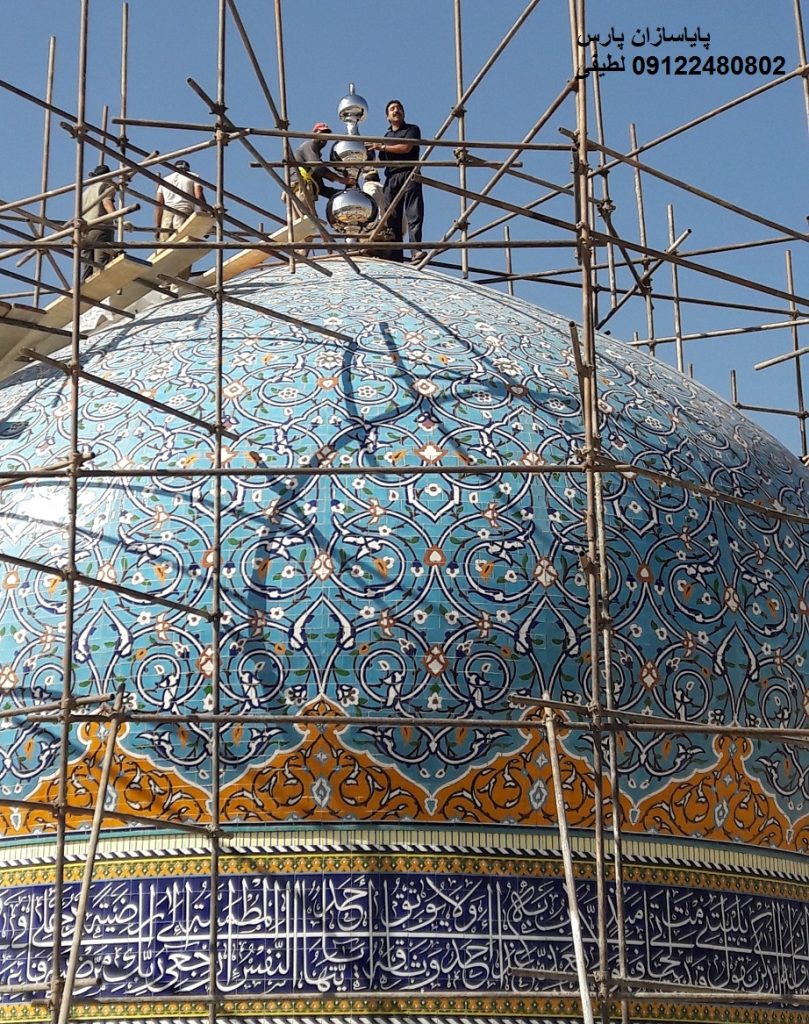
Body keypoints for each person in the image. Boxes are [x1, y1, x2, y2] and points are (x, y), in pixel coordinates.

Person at [368, 100, 424, 262]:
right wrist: (369, 155)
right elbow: (382, 162)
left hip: (409, 173)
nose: (396, 111)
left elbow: (406, 148)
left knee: (413, 213)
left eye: (399, 108)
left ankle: (415, 250)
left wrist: (382, 147)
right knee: (391, 216)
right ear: (388, 116)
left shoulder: (412, 130)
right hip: (392, 177)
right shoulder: (387, 136)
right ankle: (395, 256)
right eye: (392, 109)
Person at [291, 123, 348, 209]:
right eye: (322, 133)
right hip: (300, 188)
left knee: (309, 217)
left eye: (326, 135)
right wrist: (339, 179)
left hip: (306, 191)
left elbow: (321, 189)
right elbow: (318, 167)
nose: (324, 137)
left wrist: (343, 194)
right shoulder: (309, 145)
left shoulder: (314, 158)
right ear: (314, 133)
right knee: (306, 216)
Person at [80, 164, 117, 281]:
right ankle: (100, 291)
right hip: (101, 229)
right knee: (100, 268)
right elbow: (107, 203)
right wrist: (119, 220)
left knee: (87, 270)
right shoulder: (106, 186)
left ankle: (83, 291)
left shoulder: (86, 191)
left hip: (85, 232)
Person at [155, 160, 207, 241]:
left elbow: (159, 205)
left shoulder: (164, 180)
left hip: (167, 214)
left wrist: (158, 226)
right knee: (181, 241)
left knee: (165, 244)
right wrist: (204, 218)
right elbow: (199, 196)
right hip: (184, 212)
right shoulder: (194, 176)